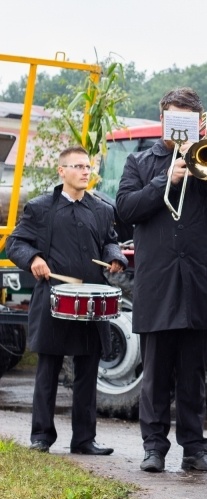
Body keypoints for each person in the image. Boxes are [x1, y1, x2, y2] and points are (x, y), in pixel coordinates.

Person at [116, 87, 207, 474]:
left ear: (197, 124)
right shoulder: (139, 162)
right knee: (156, 374)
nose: (179, 127)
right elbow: (125, 209)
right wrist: (166, 180)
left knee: (194, 374)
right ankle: (154, 447)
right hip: (158, 282)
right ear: (162, 118)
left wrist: (203, 171)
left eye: (188, 121)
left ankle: (194, 448)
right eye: (174, 119)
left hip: (199, 281)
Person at [7, 146, 126, 455]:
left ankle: (84, 440)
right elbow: (15, 243)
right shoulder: (40, 208)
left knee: (88, 370)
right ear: (62, 171)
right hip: (53, 299)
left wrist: (115, 258)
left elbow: (110, 242)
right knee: (48, 369)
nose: (86, 172)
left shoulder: (101, 209)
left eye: (88, 166)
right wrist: (33, 258)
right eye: (78, 166)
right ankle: (41, 436)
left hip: (91, 301)